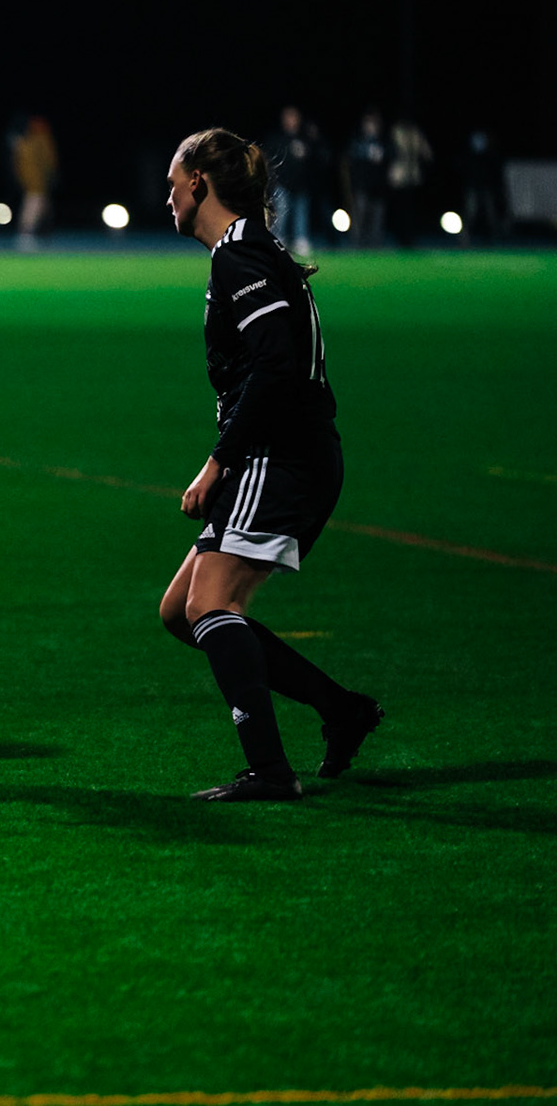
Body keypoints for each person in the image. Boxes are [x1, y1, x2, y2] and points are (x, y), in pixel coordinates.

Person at [157, 127, 384, 802]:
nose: (168, 197)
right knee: (180, 612)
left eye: (173, 183)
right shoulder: (248, 249)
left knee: (210, 604)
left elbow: (276, 365)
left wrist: (218, 462)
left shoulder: (241, 255)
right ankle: (341, 709)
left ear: (199, 182)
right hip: (281, 452)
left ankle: (270, 771)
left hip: (280, 455)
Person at [264, 106, 322, 256]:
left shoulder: (305, 138)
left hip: (301, 184)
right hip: (282, 184)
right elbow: (271, 161)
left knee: (301, 215)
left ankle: (300, 240)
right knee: (281, 215)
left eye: (294, 117)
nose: (291, 121)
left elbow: (315, 160)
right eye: (288, 117)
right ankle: (278, 241)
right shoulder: (277, 139)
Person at [12, 115, 58, 249]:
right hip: (34, 179)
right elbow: (48, 161)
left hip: (39, 179)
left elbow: (49, 161)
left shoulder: (36, 140)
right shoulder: (32, 141)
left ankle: (41, 227)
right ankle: (27, 228)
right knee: (34, 201)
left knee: (42, 203)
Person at [344, 111, 389, 247]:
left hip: (379, 187)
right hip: (361, 185)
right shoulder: (358, 141)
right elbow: (350, 160)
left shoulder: (383, 142)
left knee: (377, 216)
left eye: (374, 123)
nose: (371, 126)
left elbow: (391, 157)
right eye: (368, 123)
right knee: (359, 215)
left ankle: (375, 244)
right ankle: (357, 244)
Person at [388, 117, 433, 249]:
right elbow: (391, 151)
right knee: (399, 209)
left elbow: (427, 153)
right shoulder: (396, 131)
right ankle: (400, 237)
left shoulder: (416, 133)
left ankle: (410, 238)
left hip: (412, 176)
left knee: (410, 209)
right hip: (399, 176)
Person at [461, 130, 509, 246]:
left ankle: (495, 236)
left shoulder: (491, 156)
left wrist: (496, 187)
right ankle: (464, 237)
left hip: (487, 188)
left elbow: (496, 173)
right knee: (470, 212)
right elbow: (465, 172)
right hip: (473, 187)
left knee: (491, 213)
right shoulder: (470, 157)